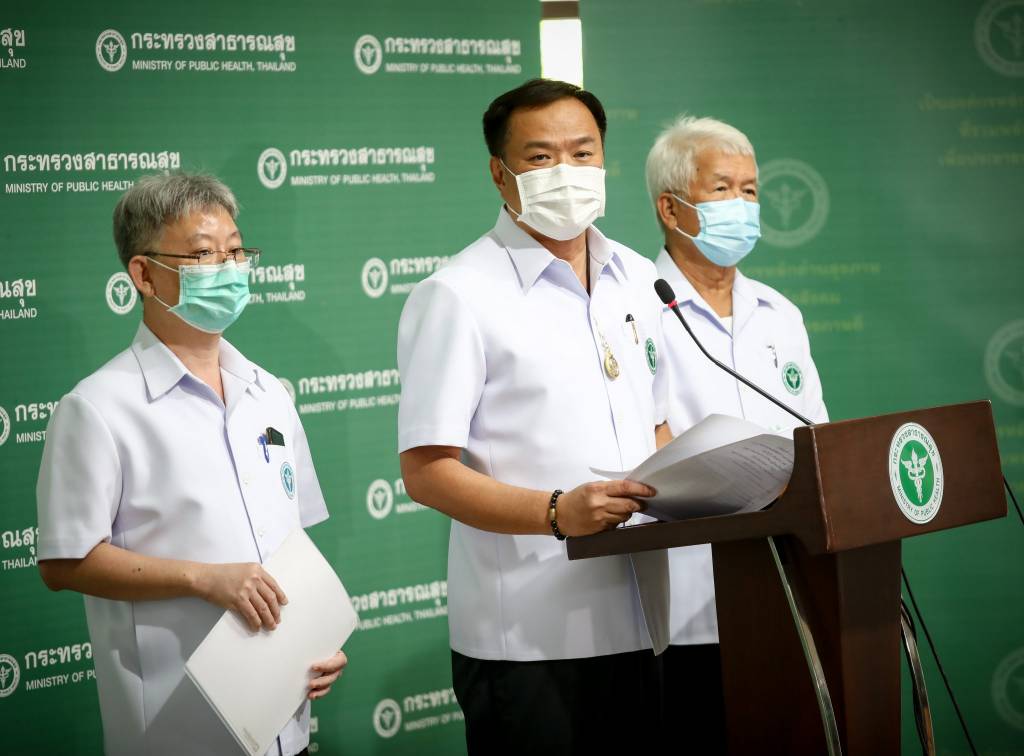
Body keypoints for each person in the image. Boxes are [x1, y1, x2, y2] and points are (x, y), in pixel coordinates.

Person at [397, 78, 672, 754]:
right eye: (541, 157)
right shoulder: (458, 294)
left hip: (644, 617)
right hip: (528, 637)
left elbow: (658, 424)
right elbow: (427, 472)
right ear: (500, 174)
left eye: (583, 152)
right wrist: (556, 511)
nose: (566, 171)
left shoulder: (640, 277)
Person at [35, 173, 347, 756]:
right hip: (176, 729)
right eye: (203, 255)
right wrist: (203, 579)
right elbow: (64, 561)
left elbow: (291, 544)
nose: (227, 269)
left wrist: (315, 639)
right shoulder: (98, 407)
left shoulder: (268, 393)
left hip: (285, 722)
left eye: (235, 251)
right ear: (144, 274)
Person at [645, 115, 829, 752]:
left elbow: (818, 438)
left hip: (792, 594)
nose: (742, 206)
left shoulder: (780, 314)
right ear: (672, 208)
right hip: (688, 605)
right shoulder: (632, 309)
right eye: (722, 189)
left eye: (750, 190)